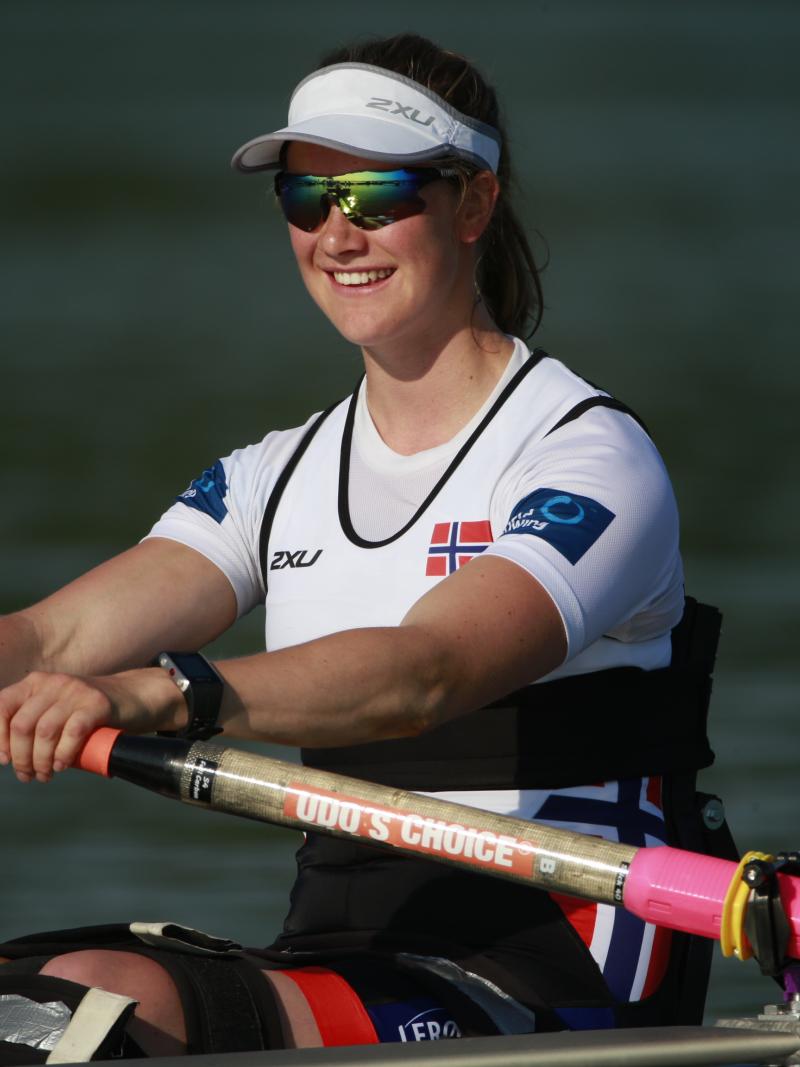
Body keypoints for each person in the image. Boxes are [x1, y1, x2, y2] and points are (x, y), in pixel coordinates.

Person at [0, 32, 733, 1060]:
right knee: (22, 998)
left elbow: (424, 672)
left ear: (472, 205)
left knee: (89, 1005)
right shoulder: (272, 474)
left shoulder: (587, 457)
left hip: (553, 967)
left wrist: (164, 692)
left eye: (376, 194)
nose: (337, 233)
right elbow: (53, 633)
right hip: (347, 949)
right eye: (307, 200)